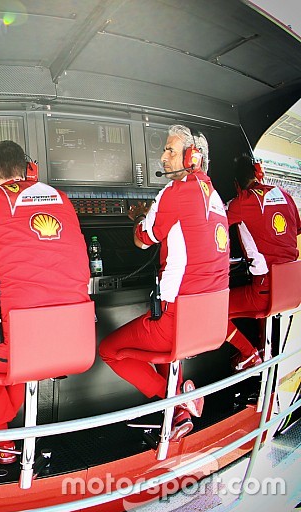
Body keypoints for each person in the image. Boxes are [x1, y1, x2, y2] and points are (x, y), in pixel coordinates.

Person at [0, 140, 90, 464]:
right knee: (19, 363)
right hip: (77, 341)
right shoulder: (62, 199)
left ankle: (0, 438)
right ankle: (3, 430)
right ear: (31, 171)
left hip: (20, 343)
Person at [98, 125, 229, 441]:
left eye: (170, 150)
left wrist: (138, 219)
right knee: (170, 345)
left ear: (191, 156)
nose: (163, 156)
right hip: (209, 321)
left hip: (175, 319)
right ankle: (179, 414)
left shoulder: (174, 192)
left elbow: (144, 240)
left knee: (110, 350)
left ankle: (173, 398)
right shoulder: (215, 196)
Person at [225, 154, 301, 371]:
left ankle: (249, 354)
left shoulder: (243, 201)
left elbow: (214, 223)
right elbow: (296, 228)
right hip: (292, 288)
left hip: (265, 288)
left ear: (236, 184)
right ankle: (262, 350)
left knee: (214, 314)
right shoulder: (285, 195)